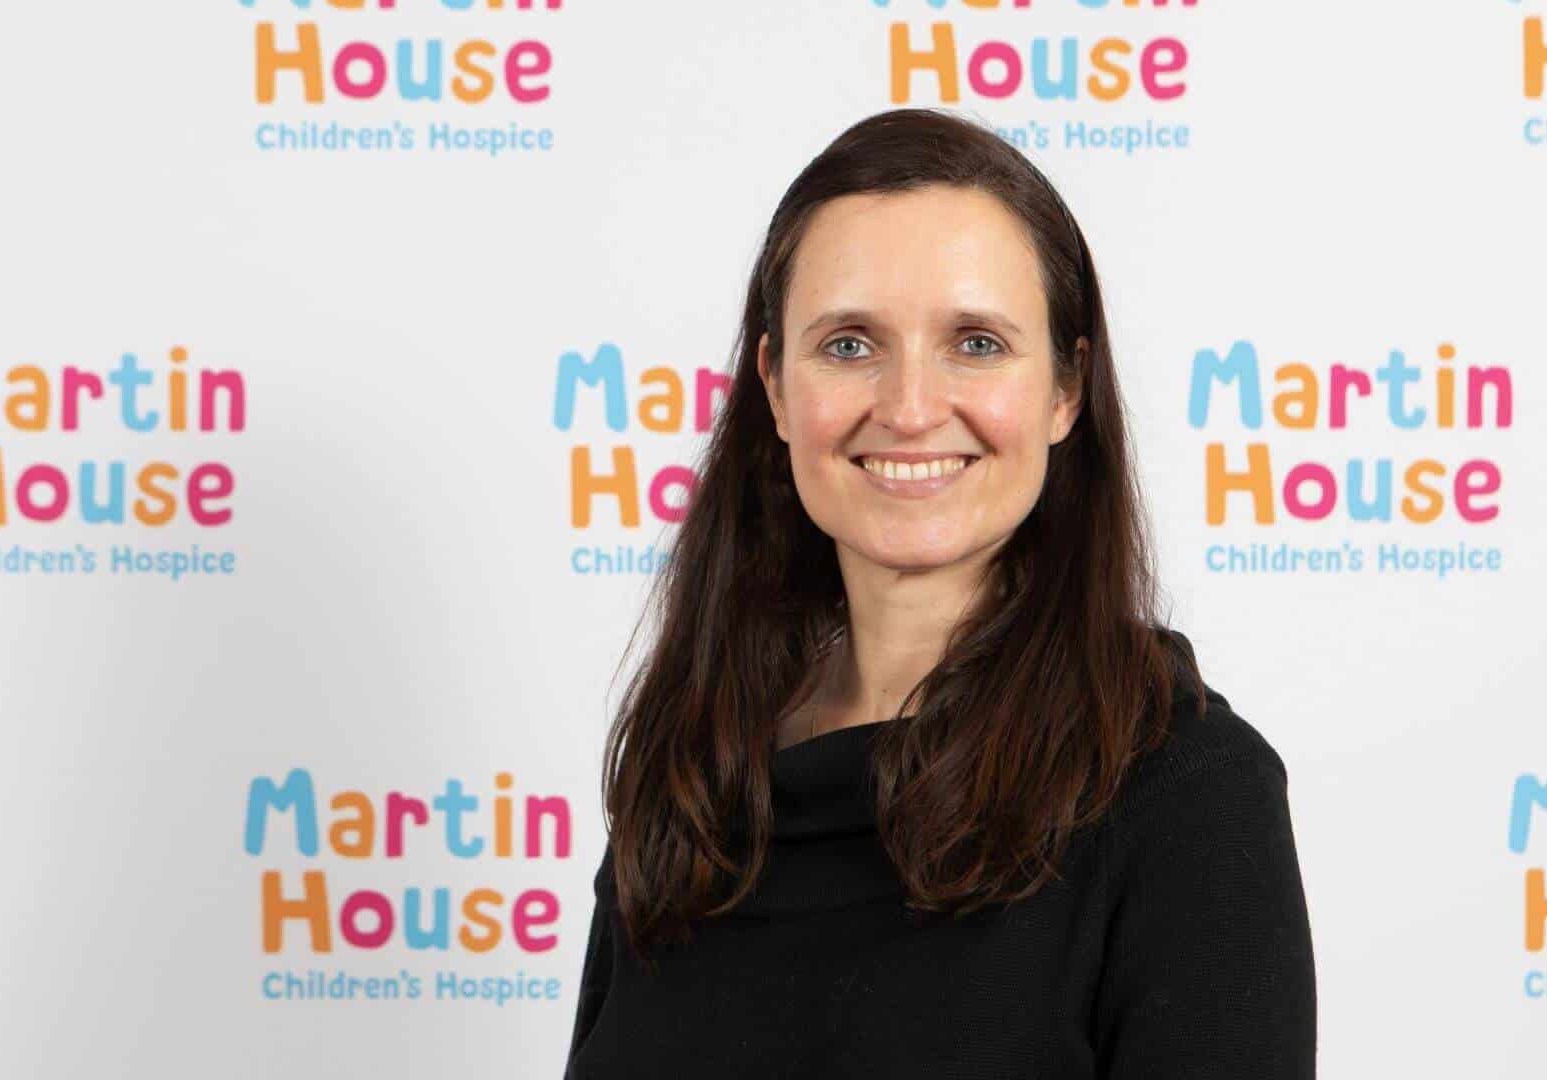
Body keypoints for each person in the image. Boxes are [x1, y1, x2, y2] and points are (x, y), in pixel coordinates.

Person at [563, 107, 1317, 1078]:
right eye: (848, 345)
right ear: (776, 388)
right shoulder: (692, 771)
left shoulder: (1187, 796)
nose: (912, 408)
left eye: (975, 342)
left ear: (1066, 390)